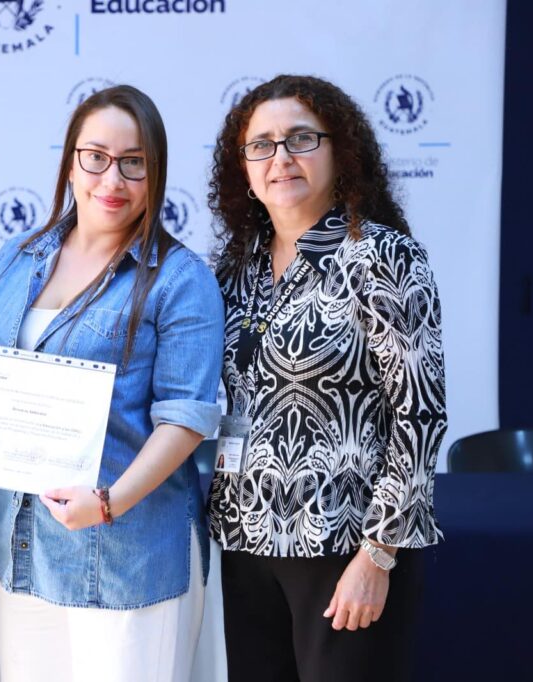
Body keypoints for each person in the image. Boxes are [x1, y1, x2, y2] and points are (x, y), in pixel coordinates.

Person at [0, 85, 224, 682]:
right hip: (26, 552)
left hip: (127, 558)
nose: (112, 179)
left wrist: (110, 503)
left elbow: (186, 418)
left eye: (133, 162)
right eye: (96, 157)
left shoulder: (180, 279)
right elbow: (1, 372)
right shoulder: (18, 257)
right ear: (71, 163)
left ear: (156, 172)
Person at [206, 74, 446, 681]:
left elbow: (419, 414)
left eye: (300, 139)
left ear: (341, 152)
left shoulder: (383, 257)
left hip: (345, 545)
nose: (280, 157)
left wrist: (379, 554)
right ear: (243, 168)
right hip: (242, 542)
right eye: (261, 144)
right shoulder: (234, 269)